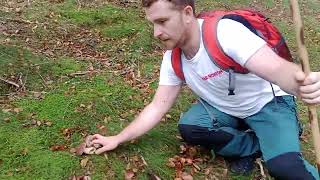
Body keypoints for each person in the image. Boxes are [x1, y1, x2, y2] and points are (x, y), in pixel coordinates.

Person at [90, 0, 320, 179]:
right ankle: (252, 148)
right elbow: (157, 106)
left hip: (267, 105)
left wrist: (300, 83)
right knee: (190, 128)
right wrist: (118, 138)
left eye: (162, 21)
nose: (156, 33)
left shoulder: (225, 33)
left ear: (187, 13)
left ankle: (279, 139)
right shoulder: (173, 58)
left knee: (284, 167)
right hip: (225, 109)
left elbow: (276, 69)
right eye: (153, 24)